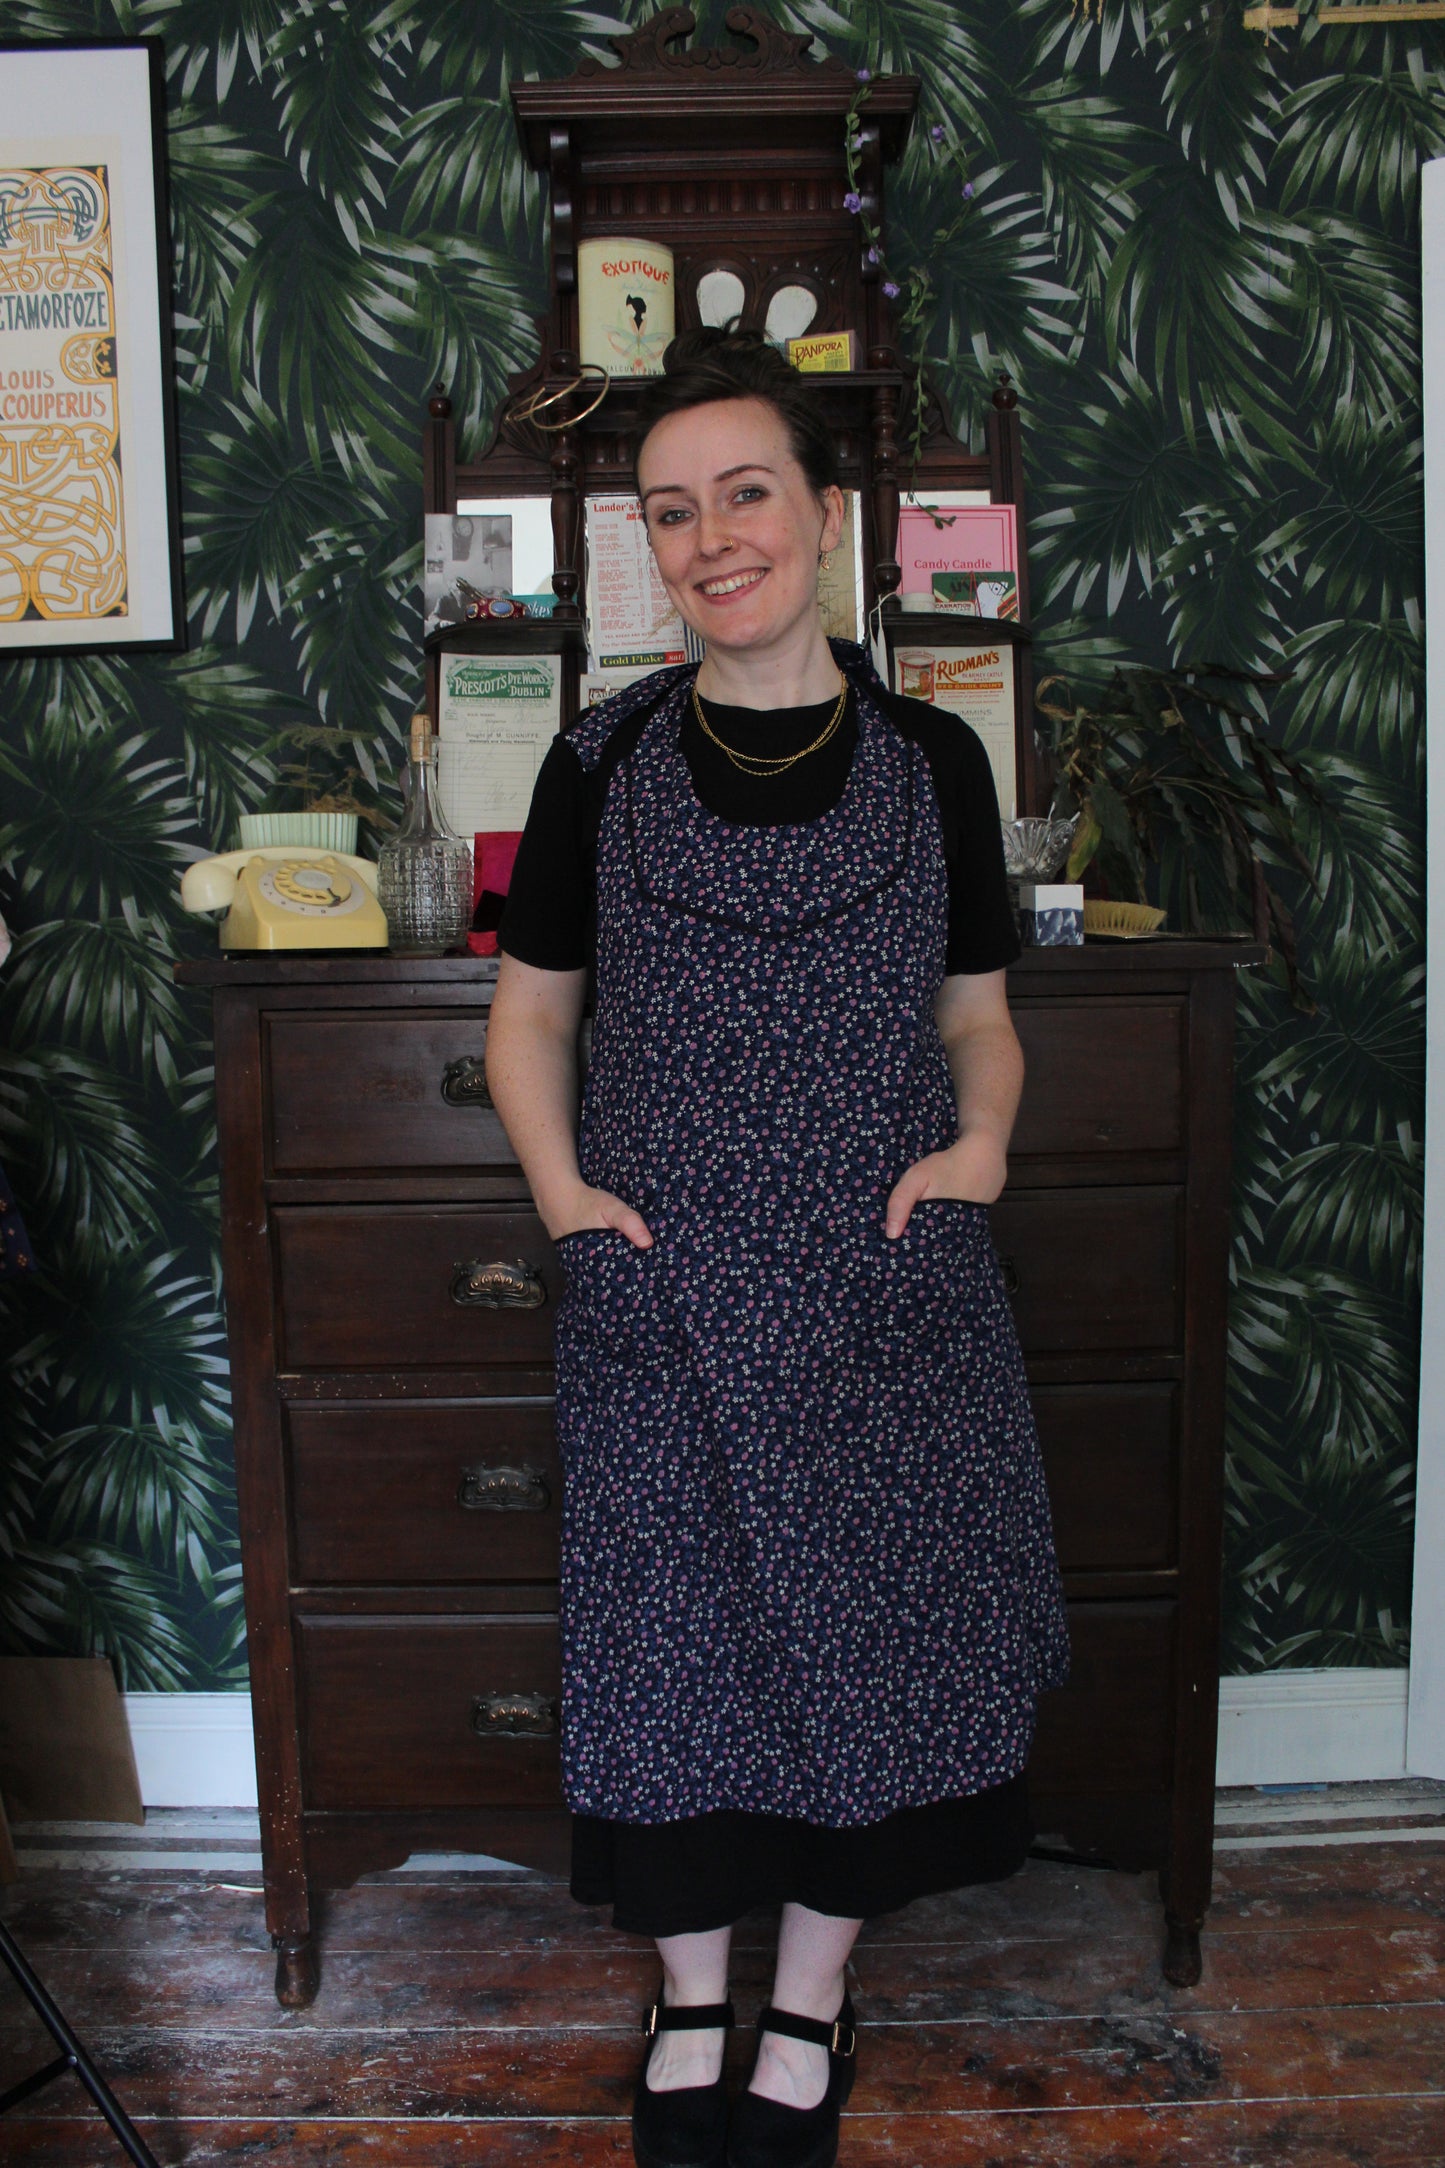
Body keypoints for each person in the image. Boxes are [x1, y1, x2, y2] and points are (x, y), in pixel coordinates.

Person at [484, 328, 1070, 2168]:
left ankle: (805, 1999)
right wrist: (572, 1210)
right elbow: (528, 1027)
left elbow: (978, 1016)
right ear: (647, 550)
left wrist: (976, 1150)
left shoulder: (929, 761)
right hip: (664, 1293)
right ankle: (685, 1995)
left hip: (881, 1289)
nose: (711, 535)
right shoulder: (594, 765)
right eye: (672, 510)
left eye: (747, 494)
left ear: (826, 518)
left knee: (865, 1651)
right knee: (674, 1652)